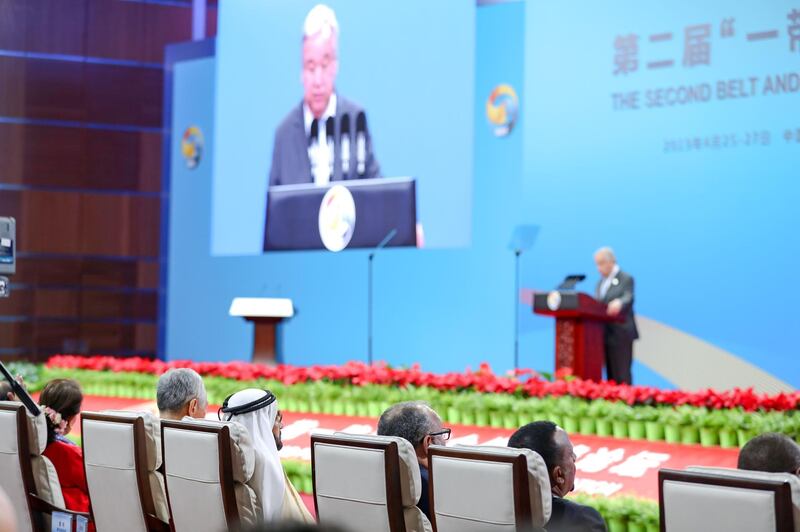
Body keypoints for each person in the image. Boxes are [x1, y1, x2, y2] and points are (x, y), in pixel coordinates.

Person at [267, 3, 381, 188]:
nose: (318, 80)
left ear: (335, 66)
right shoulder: (284, 134)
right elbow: (275, 209)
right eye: (311, 67)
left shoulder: (355, 120)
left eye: (325, 66)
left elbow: (376, 193)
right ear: (302, 72)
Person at [221, 388, 314, 524]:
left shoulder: (223, 463)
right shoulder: (267, 468)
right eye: (276, 419)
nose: (281, 425)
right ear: (263, 423)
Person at [508, 421, 606, 532]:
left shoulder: (495, 511)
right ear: (559, 475)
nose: (575, 457)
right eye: (571, 455)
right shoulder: (582, 520)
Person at [376, 401, 450, 521]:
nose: (445, 441)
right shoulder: (436, 489)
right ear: (428, 443)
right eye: (442, 434)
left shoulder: (373, 478)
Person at [39, 379, 92, 515]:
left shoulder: (30, 443)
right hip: (79, 521)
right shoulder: (69, 453)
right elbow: (95, 487)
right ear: (69, 419)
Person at [594, 247, 638, 384]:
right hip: (604, 333)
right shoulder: (600, 283)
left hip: (621, 333)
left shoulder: (625, 278)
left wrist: (619, 302)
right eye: (596, 264)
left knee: (622, 374)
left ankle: (626, 403)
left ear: (611, 261)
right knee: (610, 376)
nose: (598, 268)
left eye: (601, 263)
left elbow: (628, 297)